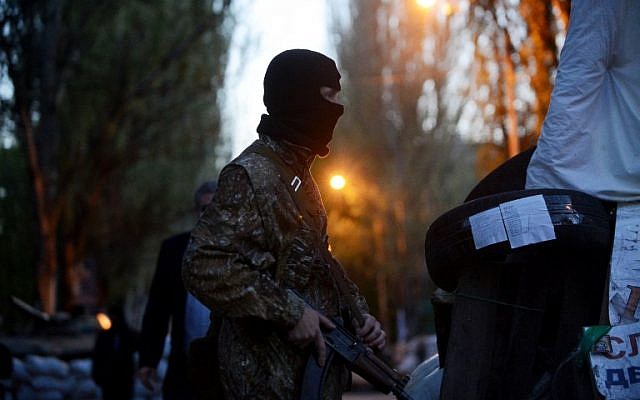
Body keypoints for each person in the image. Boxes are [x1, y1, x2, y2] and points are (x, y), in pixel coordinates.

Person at [182, 49, 386, 400]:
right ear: (299, 99)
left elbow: (316, 264)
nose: (338, 108)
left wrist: (358, 315)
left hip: (301, 379)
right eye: (328, 97)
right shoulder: (252, 174)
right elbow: (202, 264)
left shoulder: (297, 177)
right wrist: (289, 312)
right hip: (264, 383)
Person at [137, 182, 217, 400]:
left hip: (225, 370)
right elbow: (157, 309)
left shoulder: (240, 250)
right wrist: (148, 359)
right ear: (196, 212)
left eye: (216, 208)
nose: (209, 215)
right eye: (204, 209)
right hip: (183, 368)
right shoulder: (174, 250)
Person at [91, 305, 137, 400]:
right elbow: (97, 355)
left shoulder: (127, 333)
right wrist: (97, 374)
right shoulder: (104, 335)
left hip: (124, 378)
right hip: (109, 379)